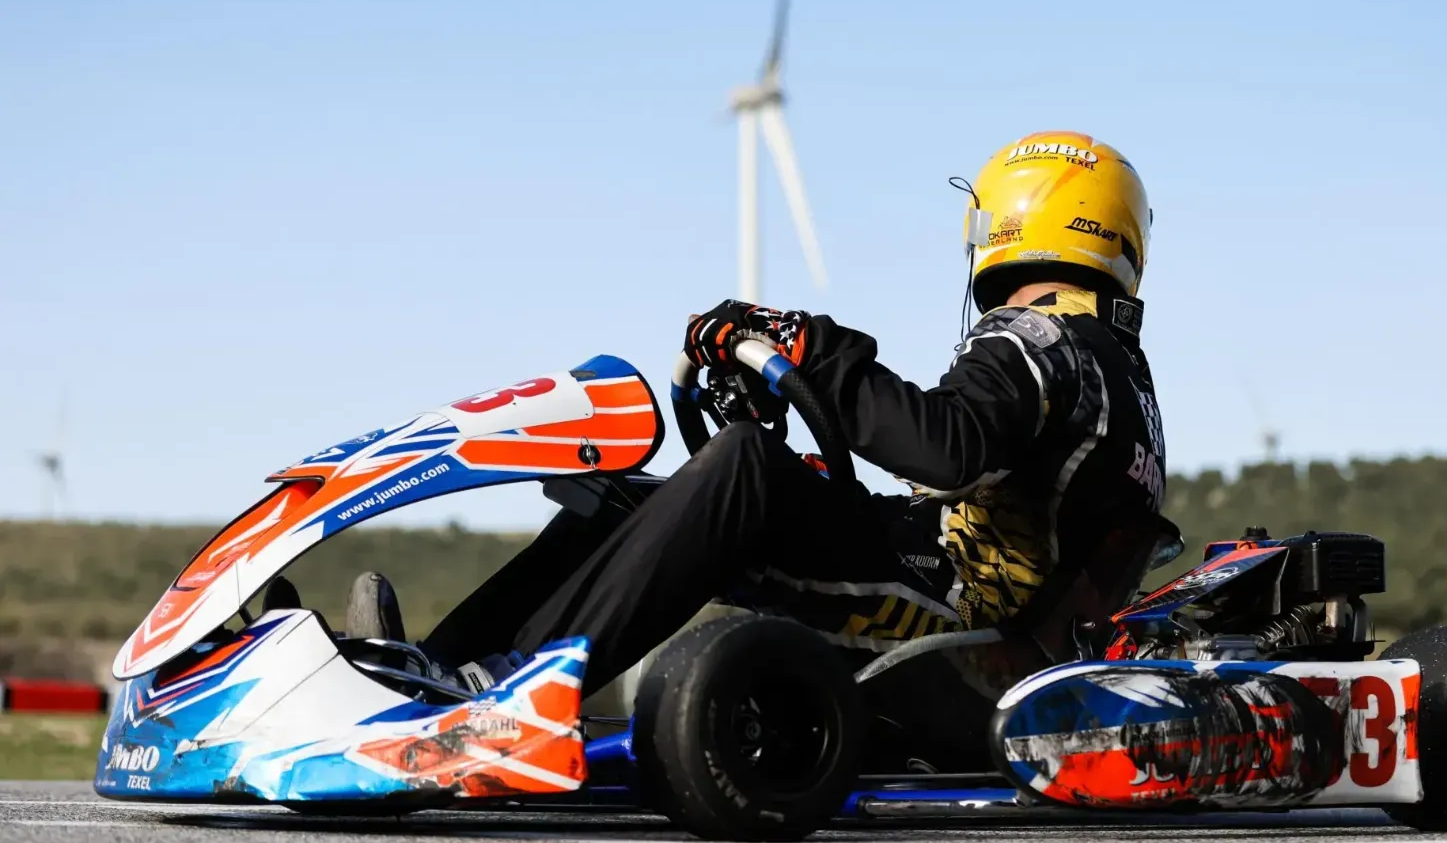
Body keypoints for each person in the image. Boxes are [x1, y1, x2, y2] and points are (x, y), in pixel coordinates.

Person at [355, 130, 1171, 725]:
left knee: (744, 463)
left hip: (975, 647)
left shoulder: (1038, 339)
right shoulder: (1113, 370)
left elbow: (945, 449)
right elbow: (981, 499)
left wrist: (814, 351)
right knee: (644, 496)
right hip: (1010, 645)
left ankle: (497, 698)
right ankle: (431, 669)